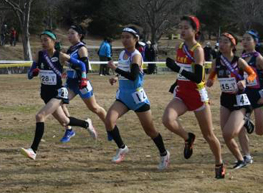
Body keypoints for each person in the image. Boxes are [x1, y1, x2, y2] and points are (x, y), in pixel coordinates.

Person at [162, 15, 226, 179]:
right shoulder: (180, 46)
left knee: (209, 135)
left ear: (195, 31)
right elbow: (183, 70)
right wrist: (176, 82)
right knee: (167, 120)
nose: (182, 31)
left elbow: (198, 77)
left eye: (186, 28)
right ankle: (188, 137)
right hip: (182, 93)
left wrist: (177, 69)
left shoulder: (198, 50)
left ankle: (219, 164)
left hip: (197, 95)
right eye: (180, 27)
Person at [21, 30, 97, 160]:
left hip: (58, 93)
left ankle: (33, 150)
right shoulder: (39, 55)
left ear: (53, 41)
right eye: (42, 40)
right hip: (45, 93)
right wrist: (33, 72)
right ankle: (86, 124)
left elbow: (82, 65)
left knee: (40, 116)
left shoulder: (61, 56)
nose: (43, 43)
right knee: (65, 121)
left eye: (46, 40)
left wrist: (83, 78)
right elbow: (29, 74)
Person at [104, 26, 170, 169]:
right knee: (109, 121)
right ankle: (122, 148)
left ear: (136, 39)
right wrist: (116, 77)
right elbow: (124, 71)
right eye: (122, 37)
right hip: (123, 97)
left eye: (128, 37)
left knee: (150, 131)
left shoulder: (136, 55)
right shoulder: (122, 54)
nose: (124, 40)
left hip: (137, 98)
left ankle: (164, 154)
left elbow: (133, 76)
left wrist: (115, 69)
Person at [205, 33, 255, 170]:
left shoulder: (239, 61)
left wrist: (245, 81)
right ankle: (240, 159)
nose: (221, 44)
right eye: (220, 41)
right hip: (225, 99)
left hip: (240, 99)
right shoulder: (217, 61)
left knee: (229, 133)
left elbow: (252, 74)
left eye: (225, 42)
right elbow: (213, 75)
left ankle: (245, 119)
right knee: (225, 135)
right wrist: (210, 81)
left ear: (233, 45)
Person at [61, 24, 108, 129]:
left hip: (82, 85)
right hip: (70, 84)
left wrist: (69, 63)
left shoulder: (82, 48)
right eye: (68, 33)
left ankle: (110, 127)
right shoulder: (70, 49)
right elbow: (68, 65)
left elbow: (85, 68)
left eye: (72, 33)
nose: (69, 36)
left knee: (94, 108)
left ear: (80, 35)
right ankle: (69, 130)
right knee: (59, 103)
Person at [241, 29, 263, 160]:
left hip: (259, 93)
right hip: (245, 94)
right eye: (243, 39)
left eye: (248, 39)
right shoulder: (241, 58)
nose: (244, 42)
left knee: (260, 132)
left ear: (255, 42)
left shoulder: (258, 58)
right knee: (240, 126)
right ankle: (246, 155)